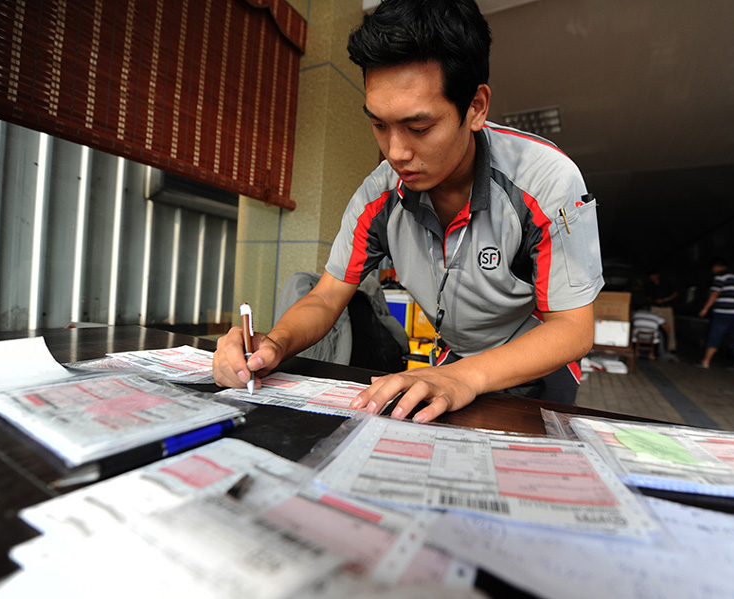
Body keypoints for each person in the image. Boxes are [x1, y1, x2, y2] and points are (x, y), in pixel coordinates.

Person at [213, 0, 603, 422]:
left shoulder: (546, 182)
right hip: (454, 363)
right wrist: (275, 343)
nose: (396, 152)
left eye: (419, 128)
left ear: (475, 107)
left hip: (538, 364)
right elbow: (326, 296)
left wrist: (464, 376)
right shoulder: (378, 196)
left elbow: (572, 327)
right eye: (379, 125)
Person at [696, 258, 734, 371]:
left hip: (722, 312)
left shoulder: (720, 277)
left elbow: (715, 293)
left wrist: (705, 309)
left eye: (713, 268)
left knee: (714, 336)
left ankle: (705, 362)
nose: (712, 270)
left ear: (717, 267)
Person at [645, 269, 678, 352]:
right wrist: (653, 300)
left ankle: (672, 347)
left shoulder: (666, 284)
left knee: (670, 327)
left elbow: (675, 293)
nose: (652, 278)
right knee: (651, 327)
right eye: (651, 277)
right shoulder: (649, 285)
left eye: (654, 276)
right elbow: (647, 296)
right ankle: (651, 347)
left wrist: (665, 300)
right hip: (655, 308)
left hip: (666, 308)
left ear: (657, 275)